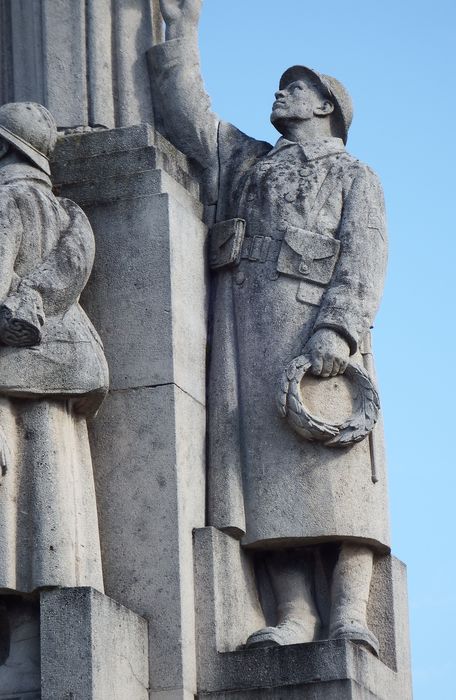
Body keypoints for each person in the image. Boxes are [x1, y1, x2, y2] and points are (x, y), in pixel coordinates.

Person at [148, 0, 389, 653]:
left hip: (317, 331)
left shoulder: (352, 173)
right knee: (263, 483)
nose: (283, 91)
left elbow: (365, 256)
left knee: (337, 479)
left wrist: (335, 332)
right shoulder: (245, 160)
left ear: (325, 108)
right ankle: (296, 613)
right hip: (246, 326)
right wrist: (183, 30)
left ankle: (347, 613)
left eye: (298, 86)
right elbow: (183, 109)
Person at [0, 102, 109, 594]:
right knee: (52, 508)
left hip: (8, 378)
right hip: (59, 371)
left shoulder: (6, 202)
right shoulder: (68, 213)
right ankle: (29, 636)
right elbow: (69, 270)